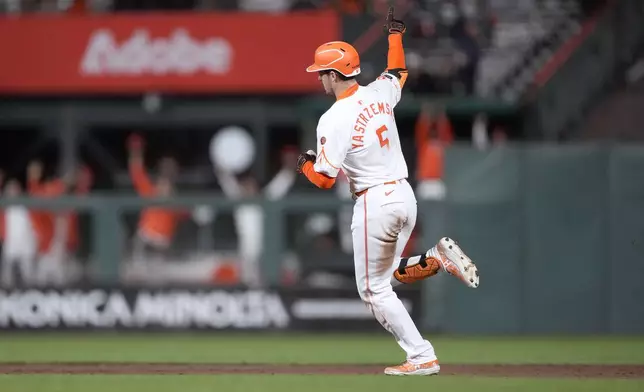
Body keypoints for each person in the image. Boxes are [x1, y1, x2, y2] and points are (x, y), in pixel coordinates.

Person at [296, 7, 480, 376]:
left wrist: (304, 163)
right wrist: (395, 35)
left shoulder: (334, 117)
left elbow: (324, 179)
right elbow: (398, 71)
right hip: (404, 196)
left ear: (334, 74)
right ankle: (436, 260)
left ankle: (421, 356)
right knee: (389, 274)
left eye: (321, 74)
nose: (319, 80)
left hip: (374, 203)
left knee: (372, 291)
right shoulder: (379, 93)